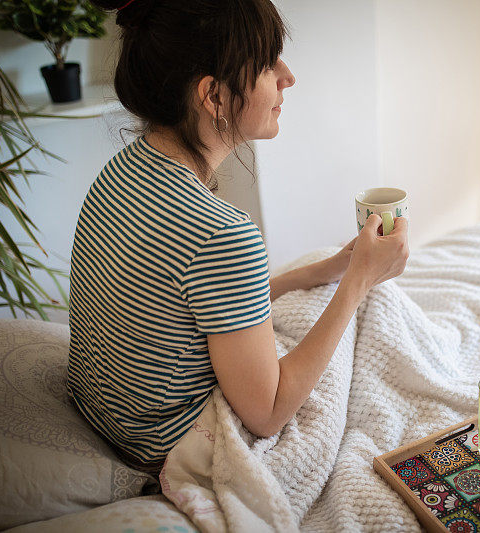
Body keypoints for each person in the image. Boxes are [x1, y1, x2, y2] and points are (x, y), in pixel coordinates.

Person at [69, 0, 408, 476]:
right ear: (214, 96)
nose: (287, 77)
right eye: (269, 64)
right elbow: (268, 414)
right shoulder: (221, 233)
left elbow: (191, 306)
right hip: (158, 445)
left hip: (105, 412)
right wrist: (359, 282)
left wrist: (326, 271)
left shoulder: (121, 173)